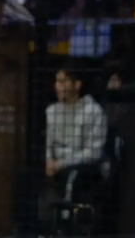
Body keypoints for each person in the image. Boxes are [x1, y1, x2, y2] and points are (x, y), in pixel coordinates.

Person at [39, 65, 107, 233]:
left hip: (85, 168)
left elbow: (95, 152)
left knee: (74, 176)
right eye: (56, 81)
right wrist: (49, 160)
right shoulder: (52, 111)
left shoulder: (94, 111)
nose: (57, 86)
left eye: (63, 81)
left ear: (77, 85)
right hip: (56, 167)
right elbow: (49, 144)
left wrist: (63, 163)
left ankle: (67, 223)